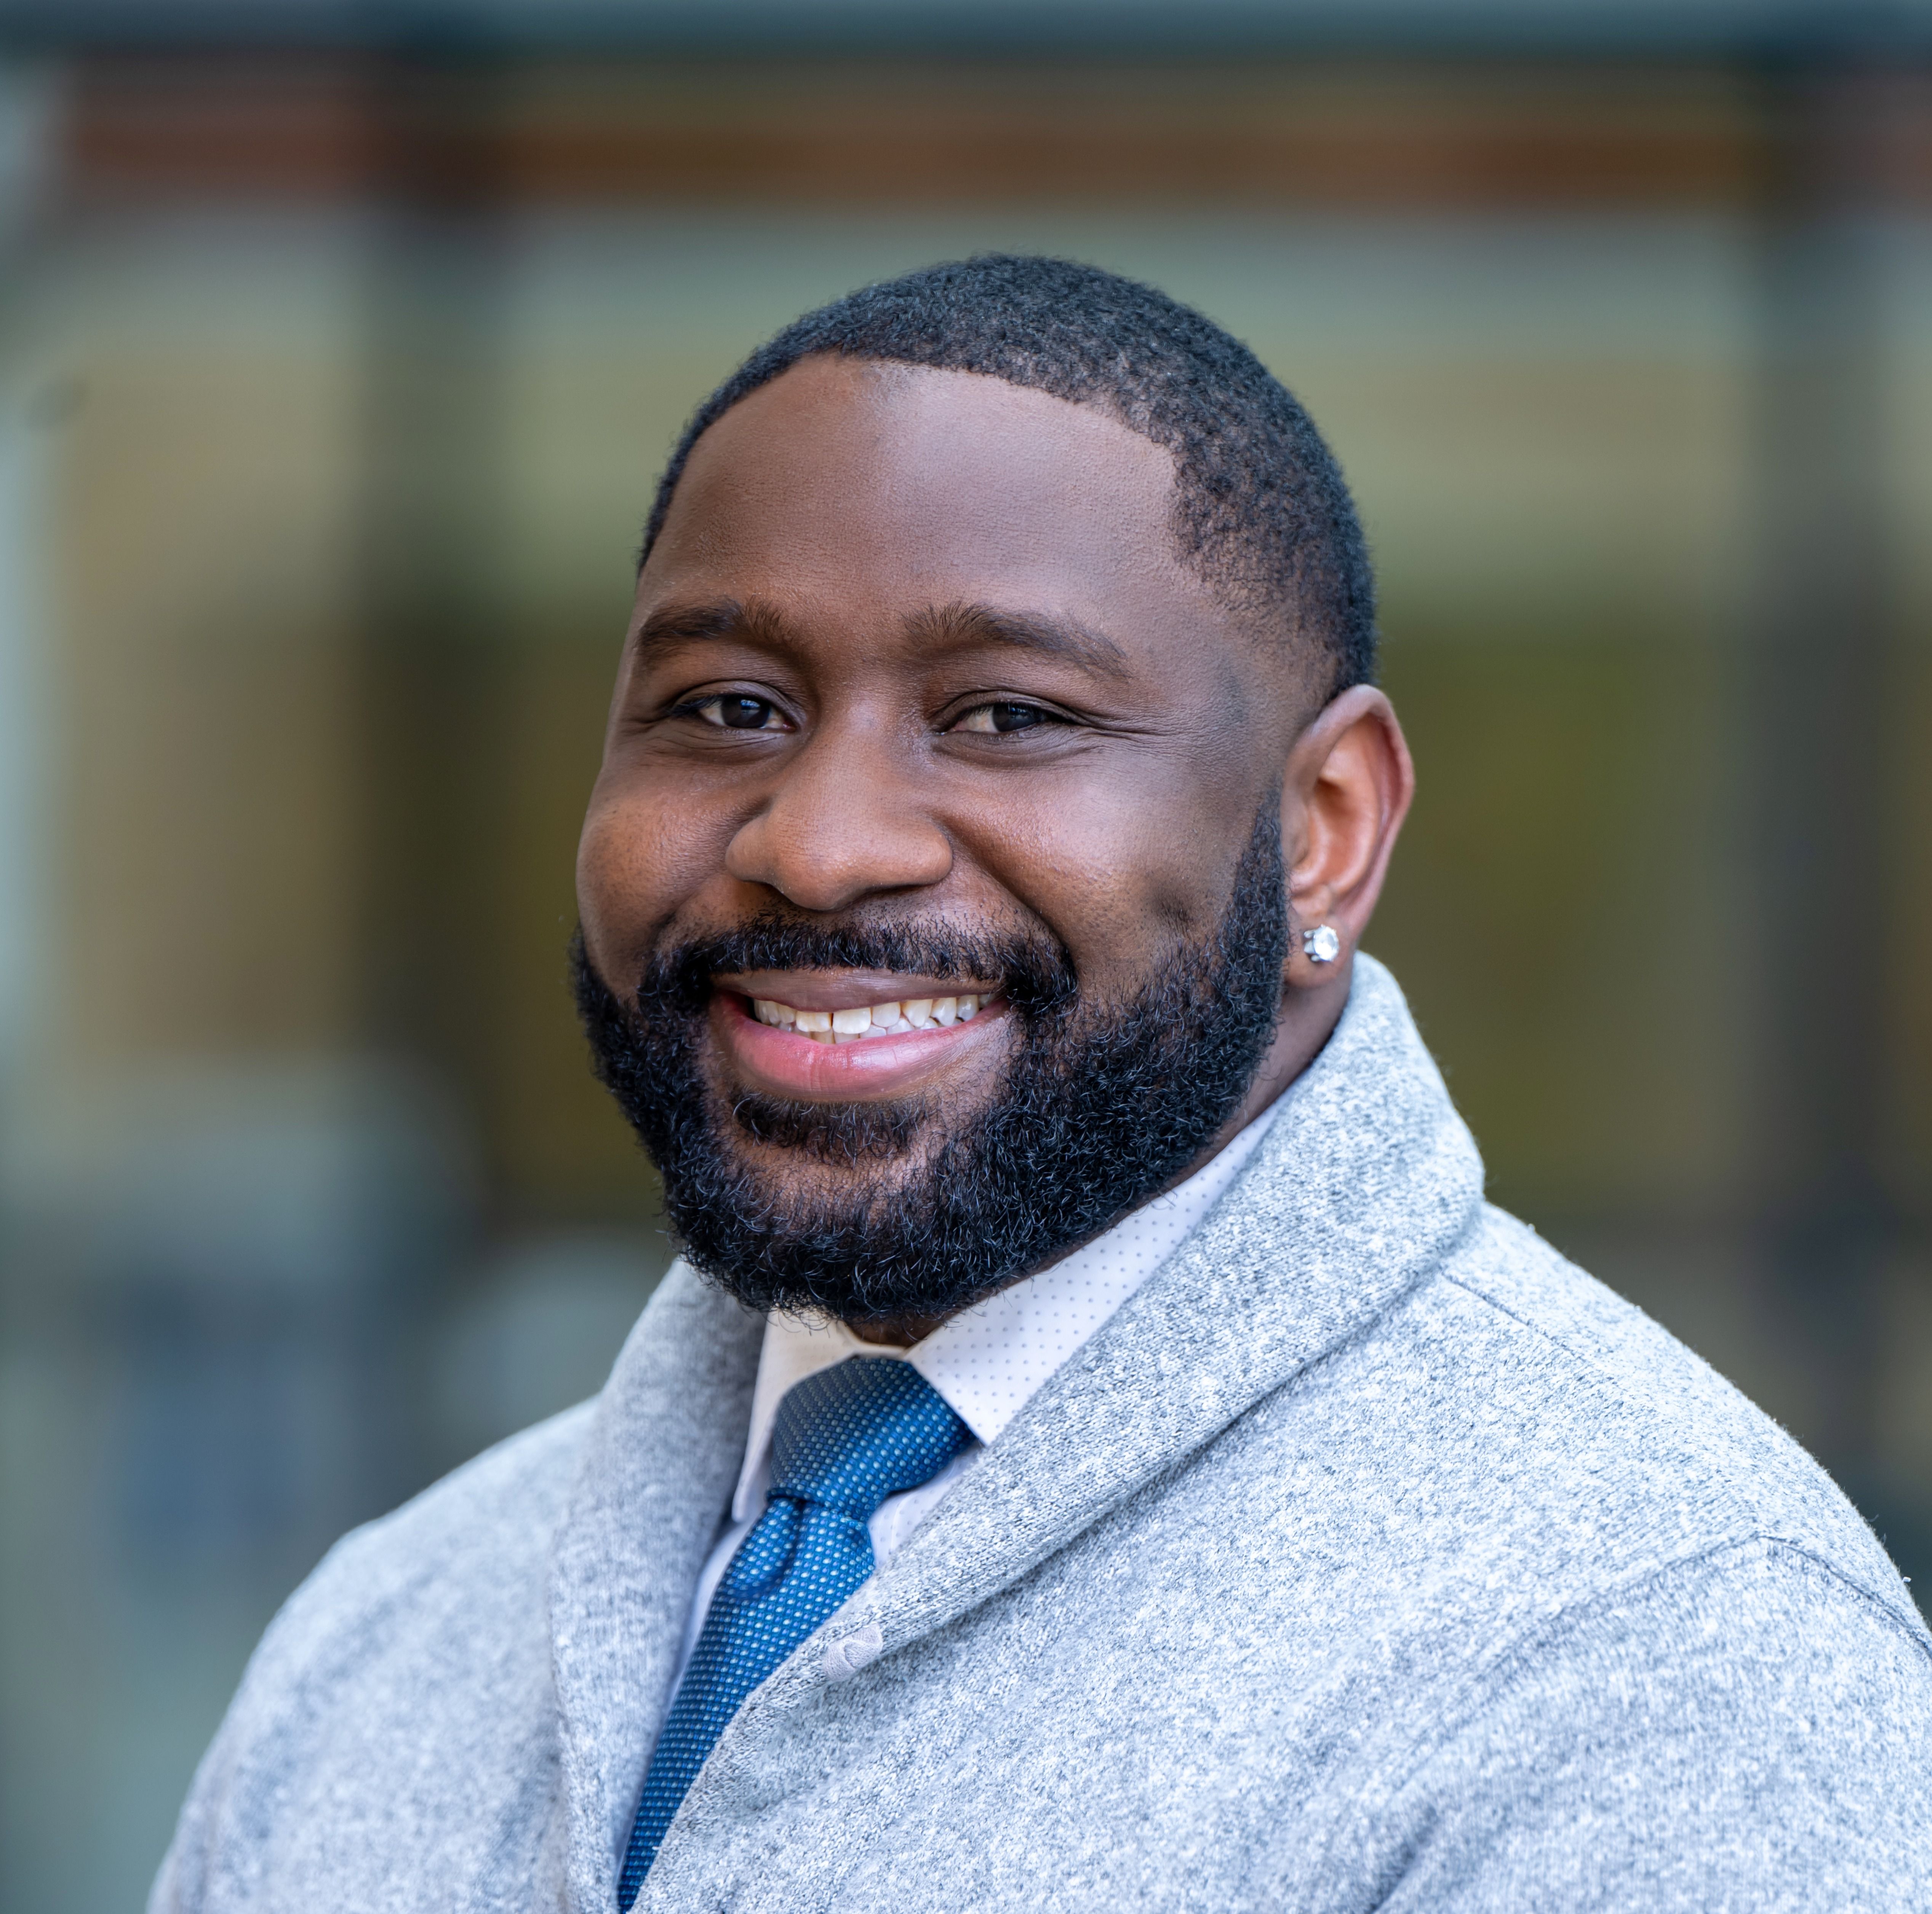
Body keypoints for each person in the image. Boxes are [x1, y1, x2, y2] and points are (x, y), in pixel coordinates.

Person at [152, 256, 1932, 1913]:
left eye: (1006, 717)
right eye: (729, 708)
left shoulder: (1652, 1666)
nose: (822, 844)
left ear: (1320, 832)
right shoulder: (381, 1638)